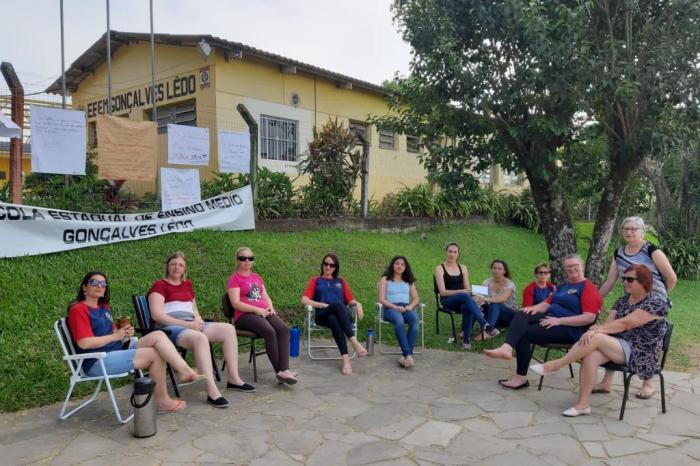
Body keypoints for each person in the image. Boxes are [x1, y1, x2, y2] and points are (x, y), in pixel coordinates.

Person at [530, 264, 668, 417]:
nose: (624, 282)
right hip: (617, 345)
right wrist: (599, 328)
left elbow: (626, 323)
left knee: (594, 336)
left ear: (644, 282)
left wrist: (597, 331)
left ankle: (556, 365)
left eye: (630, 279)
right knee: (590, 355)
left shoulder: (656, 303)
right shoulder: (622, 300)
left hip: (641, 353)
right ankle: (583, 405)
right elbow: (610, 324)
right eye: (624, 279)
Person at [67, 271, 206, 412]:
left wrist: (124, 334)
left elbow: (112, 334)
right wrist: (115, 337)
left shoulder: (104, 308)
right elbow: (84, 343)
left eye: (103, 283)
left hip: (117, 349)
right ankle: (163, 401)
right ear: (84, 287)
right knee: (154, 354)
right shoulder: (78, 310)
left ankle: (184, 371)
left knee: (158, 334)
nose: (99, 286)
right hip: (97, 360)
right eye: (94, 282)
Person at [148, 251, 255, 409]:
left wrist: (197, 320)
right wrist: (187, 325)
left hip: (191, 324)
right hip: (170, 328)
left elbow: (194, 309)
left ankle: (234, 379)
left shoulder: (187, 284)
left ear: (185, 269)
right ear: (167, 266)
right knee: (200, 338)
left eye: (181, 265)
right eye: (173, 264)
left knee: (228, 329)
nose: (177, 268)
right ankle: (212, 391)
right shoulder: (160, 285)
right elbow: (157, 315)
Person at [485, 254, 602, 389]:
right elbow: (546, 304)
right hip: (550, 320)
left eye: (575, 265)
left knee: (523, 334)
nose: (572, 268)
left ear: (582, 267)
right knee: (523, 313)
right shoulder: (563, 286)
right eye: (568, 266)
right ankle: (507, 348)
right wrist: (532, 309)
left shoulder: (588, 287)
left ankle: (520, 377)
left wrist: (560, 321)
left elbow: (589, 317)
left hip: (569, 329)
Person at [595, 216, 677, 399]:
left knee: (647, 339)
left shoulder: (651, 251)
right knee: (614, 334)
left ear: (642, 232)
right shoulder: (618, 253)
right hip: (629, 300)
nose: (629, 232)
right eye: (626, 229)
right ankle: (606, 382)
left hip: (652, 303)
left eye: (634, 229)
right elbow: (610, 281)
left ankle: (648, 384)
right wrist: (595, 300)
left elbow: (671, 278)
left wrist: (659, 299)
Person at [227, 246, 297, 385]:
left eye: (250, 258)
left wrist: (270, 306)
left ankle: (285, 370)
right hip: (244, 316)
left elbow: (265, 296)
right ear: (237, 260)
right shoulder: (234, 279)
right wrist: (257, 310)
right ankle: (281, 371)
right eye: (243, 258)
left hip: (263, 312)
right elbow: (235, 303)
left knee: (282, 329)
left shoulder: (256, 277)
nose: (247, 261)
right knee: (269, 331)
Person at [301, 253, 366, 375]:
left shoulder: (340, 281)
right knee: (335, 307)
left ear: (335, 267)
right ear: (322, 265)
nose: (328, 267)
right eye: (326, 264)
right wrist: (324, 305)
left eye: (332, 265)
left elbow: (350, 300)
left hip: (341, 316)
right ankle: (354, 341)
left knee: (334, 318)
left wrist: (359, 304)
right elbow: (304, 300)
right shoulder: (316, 280)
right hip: (322, 315)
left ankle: (346, 360)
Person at [434, 242, 498, 351]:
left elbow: (467, 289)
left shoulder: (463, 268)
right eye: (450, 251)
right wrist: (462, 291)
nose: (452, 254)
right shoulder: (440, 269)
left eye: (455, 252)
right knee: (464, 296)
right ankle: (485, 325)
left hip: (463, 300)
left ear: (458, 254)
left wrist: (476, 296)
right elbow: (443, 292)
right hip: (447, 301)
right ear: (446, 252)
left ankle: (466, 341)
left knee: (467, 307)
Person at [378, 256, 421, 368]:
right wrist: (395, 308)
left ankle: (405, 356)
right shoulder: (385, 279)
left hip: (406, 308)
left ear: (405, 267)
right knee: (399, 320)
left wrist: (410, 306)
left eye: (402, 264)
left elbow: (416, 298)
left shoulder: (409, 281)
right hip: (390, 308)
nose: (399, 266)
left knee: (415, 319)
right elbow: (381, 299)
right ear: (392, 265)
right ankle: (408, 354)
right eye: (397, 263)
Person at [473, 259, 517, 335]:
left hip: (508, 317)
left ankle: (488, 332)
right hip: (491, 316)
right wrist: (478, 299)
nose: (496, 271)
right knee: (473, 304)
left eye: (499, 268)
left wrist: (485, 299)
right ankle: (466, 330)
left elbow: (502, 298)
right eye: (494, 268)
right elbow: (477, 296)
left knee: (495, 304)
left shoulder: (510, 284)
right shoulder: (486, 282)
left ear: (504, 271)